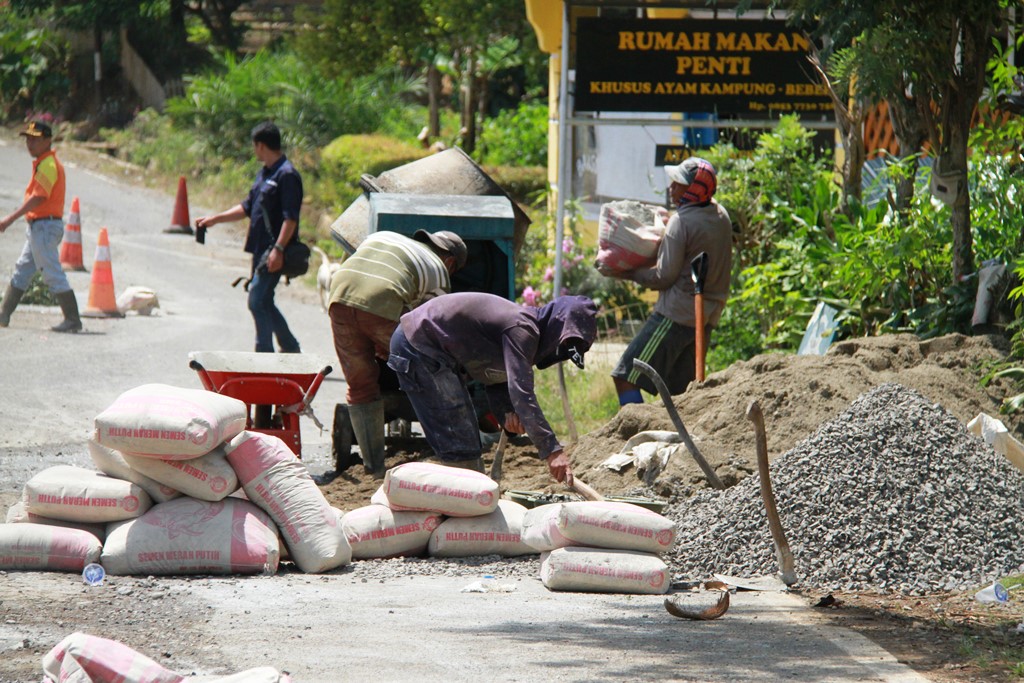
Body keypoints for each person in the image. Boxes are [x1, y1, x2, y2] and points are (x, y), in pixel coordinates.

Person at [388, 292, 598, 483]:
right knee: (460, 444)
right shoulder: (521, 328)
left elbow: (494, 378)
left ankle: (464, 498)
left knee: (466, 442)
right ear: (556, 327)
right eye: (561, 346)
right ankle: (451, 498)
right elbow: (522, 394)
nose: (557, 353)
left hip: (425, 346)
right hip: (418, 344)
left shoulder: (524, 330)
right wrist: (552, 451)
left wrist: (507, 414)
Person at [328, 229, 468, 478]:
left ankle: (374, 468)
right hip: (382, 300)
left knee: (360, 385)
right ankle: (447, 450)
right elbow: (427, 327)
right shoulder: (438, 270)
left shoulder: (383, 237)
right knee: (429, 366)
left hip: (339, 293)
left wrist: (384, 344)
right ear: (450, 262)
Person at [607, 156, 732, 405]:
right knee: (680, 396)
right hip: (705, 318)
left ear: (693, 189)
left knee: (625, 376)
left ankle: (636, 432)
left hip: (675, 316)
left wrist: (629, 273)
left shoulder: (681, 221)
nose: (671, 188)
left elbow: (663, 277)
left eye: (678, 184)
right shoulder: (721, 216)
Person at [195, 121, 303, 354]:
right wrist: (215, 219)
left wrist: (279, 250)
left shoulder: (287, 175)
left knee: (256, 299)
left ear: (261, 145)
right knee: (263, 300)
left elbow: (290, 218)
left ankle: (264, 354)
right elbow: (247, 207)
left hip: (274, 250)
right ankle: (290, 349)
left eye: (255, 146)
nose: (254, 151)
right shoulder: (265, 173)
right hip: (260, 248)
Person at [0, 120, 81, 333]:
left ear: (48, 140)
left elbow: (39, 197)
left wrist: (10, 218)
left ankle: (72, 319)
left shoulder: (49, 165)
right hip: (39, 227)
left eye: (35, 139)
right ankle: (4, 314)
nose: (30, 143)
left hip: (45, 227)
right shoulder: (44, 163)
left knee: (51, 272)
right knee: (22, 270)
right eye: (28, 139)